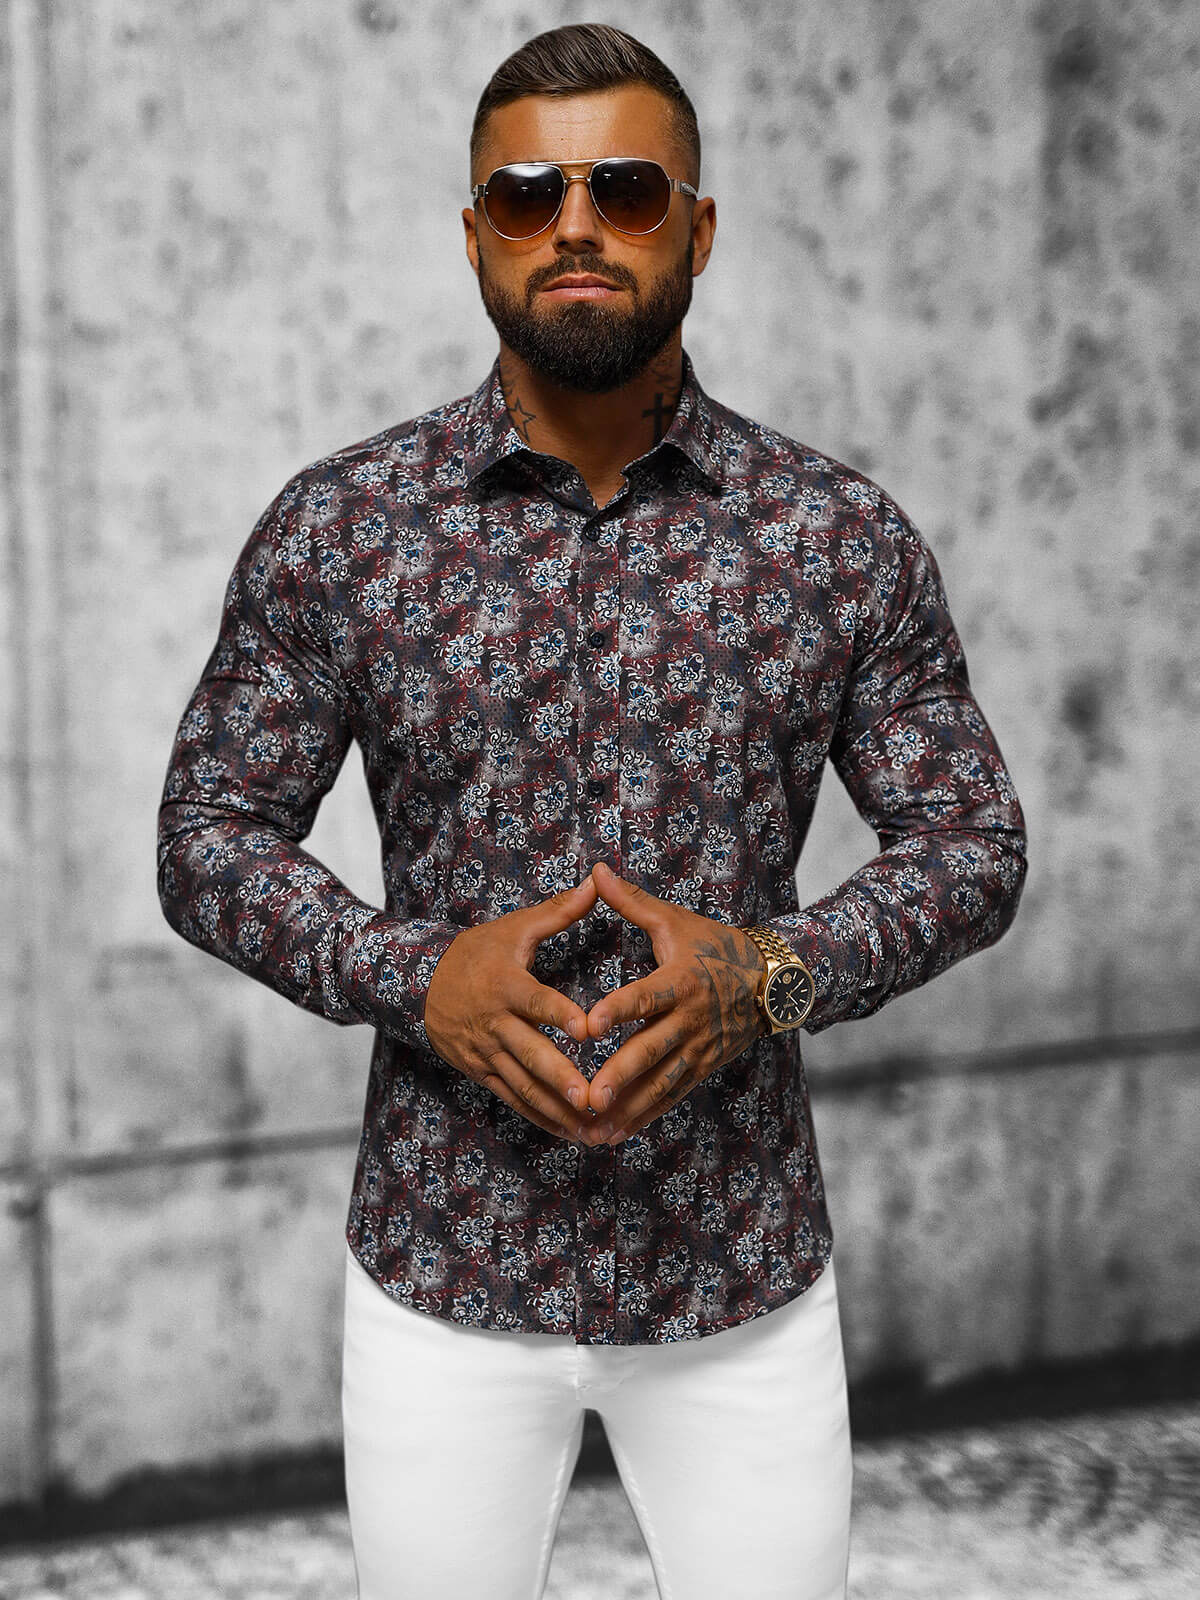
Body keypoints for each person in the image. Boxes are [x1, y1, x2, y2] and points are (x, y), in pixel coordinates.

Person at [156, 22, 1027, 1600]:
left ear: (698, 226)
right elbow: (209, 833)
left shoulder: (835, 538)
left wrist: (772, 972)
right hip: (441, 1268)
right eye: (527, 194)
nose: (574, 227)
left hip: (740, 1275)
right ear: (475, 233)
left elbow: (972, 842)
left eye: (624, 191)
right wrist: (415, 973)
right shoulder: (344, 530)